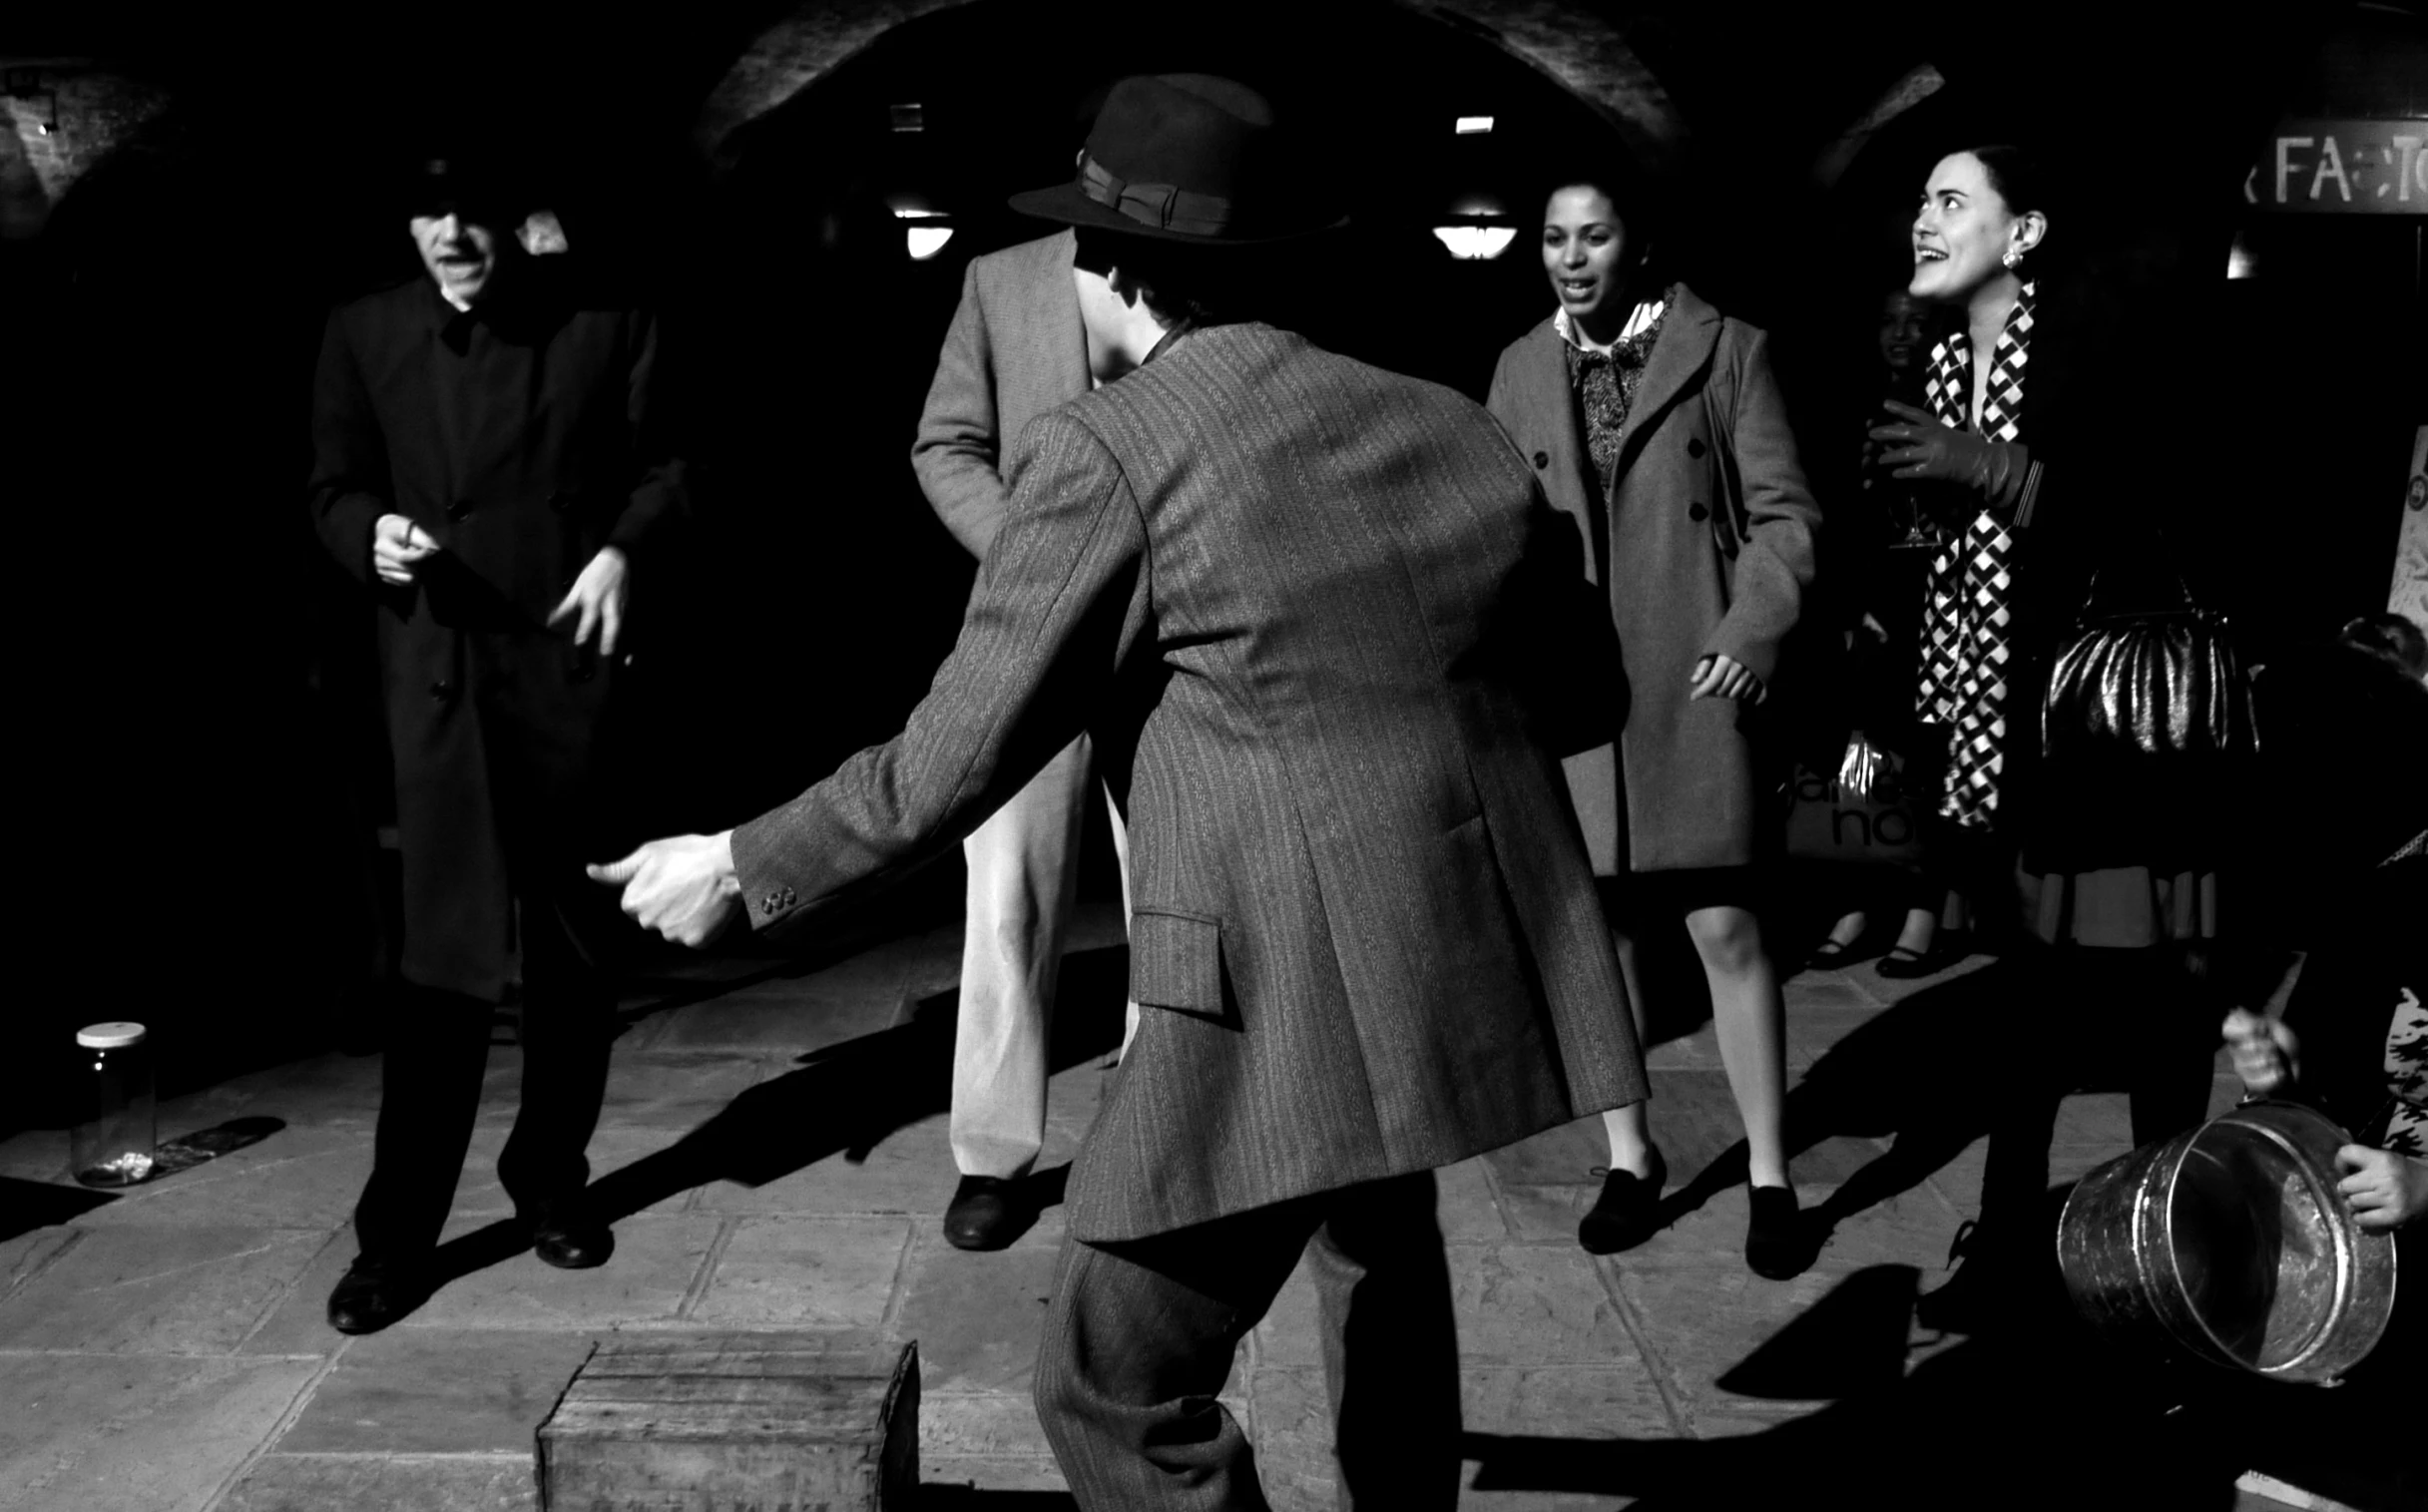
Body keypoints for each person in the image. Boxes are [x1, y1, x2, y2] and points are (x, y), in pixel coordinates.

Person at [594, 74, 1646, 1510]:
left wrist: (737, 857)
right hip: (1443, 963)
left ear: (1109, 267)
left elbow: (944, 760)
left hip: (1277, 979)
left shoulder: (1110, 451)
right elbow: (1589, 694)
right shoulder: (1447, 425)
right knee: (1380, 1269)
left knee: (1108, 1377)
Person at [307, 147, 690, 1334]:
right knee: (445, 969)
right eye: (427, 214)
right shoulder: (364, 333)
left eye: (468, 212)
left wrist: (628, 550)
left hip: (567, 673)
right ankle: (396, 1237)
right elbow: (331, 486)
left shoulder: (603, 323)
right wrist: (368, 532)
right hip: (443, 680)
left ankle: (549, 1181)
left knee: (573, 957)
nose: (449, 235)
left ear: (511, 220)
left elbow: (672, 464)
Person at [1873, 146, 2224, 1329]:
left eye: (1952, 201)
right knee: (2026, 1013)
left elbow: (2159, 508)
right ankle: (2017, 1250)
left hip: (2109, 749)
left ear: (2022, 234)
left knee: (2154, 1017)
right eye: (1920, 200)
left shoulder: (2088, 338)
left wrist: (1999, 472)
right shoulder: (1928, 361)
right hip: (1994, 745)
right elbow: (1935, 561)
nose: (1924, 219)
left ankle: (2177, 1275)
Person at [1486, 171, 1821, 1275]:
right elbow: (1493, 530)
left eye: (1595, 237)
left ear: (1638, 246)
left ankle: (1772, 1174)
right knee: (1604, 941)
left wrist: (1754, 625)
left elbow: (1784, 515)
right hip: (1576, 690)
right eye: (1553, 238)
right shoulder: (1520, 368)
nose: (1572, 258)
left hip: (1694, 674)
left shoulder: (1728, 349)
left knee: (1726, 928)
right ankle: (1631, 1157)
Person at [910, 227, 1141, 1252]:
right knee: (1008, 897)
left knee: (1180, 893)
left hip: (1169, 635)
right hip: (1028, 634)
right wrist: (1033, 557)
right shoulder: (1001, 282)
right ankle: (994, 1159)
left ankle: (1150, 1140)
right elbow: (944, 443)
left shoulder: (1209, 279)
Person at [1806, 286, 1956, 974]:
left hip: (1940, 605)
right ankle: (1857, 899)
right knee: (1859, 762)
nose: (1901, 334)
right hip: (1868, 609)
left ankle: (1924, 908)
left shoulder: (1962, 403)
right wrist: (1843, 606)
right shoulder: (1853, 410)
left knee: (1928, 757)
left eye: (1916, 323)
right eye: (1889, 322)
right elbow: (1831, 517)